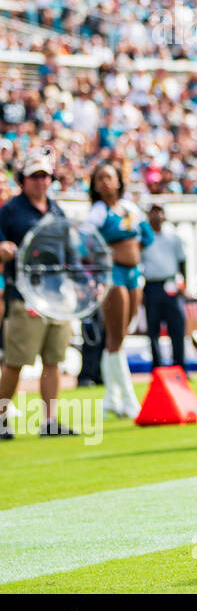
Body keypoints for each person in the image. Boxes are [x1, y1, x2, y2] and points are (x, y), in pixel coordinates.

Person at [0, 149, 76, 438]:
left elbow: (70, 250)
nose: (41, 181)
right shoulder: (10, 210)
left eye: (45, 175)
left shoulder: (57, 210)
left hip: (56, 294)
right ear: (23, 179)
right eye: (35, 176)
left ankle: (50, 421)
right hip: (23, 293)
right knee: (16, 360)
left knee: (53, 359)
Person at [84, 160, 153, 420]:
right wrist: (108, 256)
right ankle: (128, 398)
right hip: (113, 274)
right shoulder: (98, 212)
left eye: (109, 177)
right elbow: (84, 244)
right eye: (100, 178)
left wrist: (131, 250)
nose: (105, 182)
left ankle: (111, 398)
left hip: (134, 273)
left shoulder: (129, 208)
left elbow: (147, 235)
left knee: (120, 335)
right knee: (116, 338)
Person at [140, 203, 188, 371]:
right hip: (152, 284)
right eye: (153, 211)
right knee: (153, 329)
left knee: (177, 327)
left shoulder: (173, 236)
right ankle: (158, 368)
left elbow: (182, 260)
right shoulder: (144, 237)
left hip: (170, 283)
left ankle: (179, 367)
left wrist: (184, 283)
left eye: (159, 211)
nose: (156, 215)